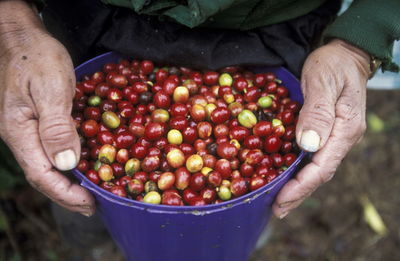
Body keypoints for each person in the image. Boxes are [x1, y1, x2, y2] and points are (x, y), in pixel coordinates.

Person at [0, 0, 399, 257]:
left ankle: (239, 241)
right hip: (85, 24)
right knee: (78, 193)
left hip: (276, 31)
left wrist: (358, 41)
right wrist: (12, 22)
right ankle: (98, 246)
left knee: (250, 214)